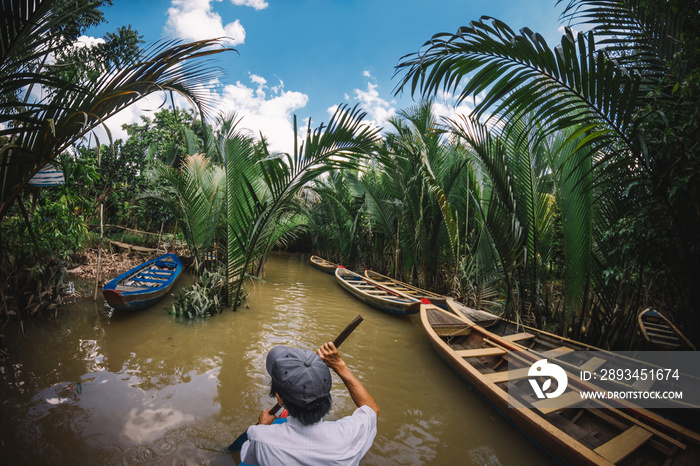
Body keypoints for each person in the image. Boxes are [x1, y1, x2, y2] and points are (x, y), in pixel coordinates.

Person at [239, 342, 379, 465]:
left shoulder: (261, 438)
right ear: (326, 396)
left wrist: (263, 426)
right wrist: (339, 365)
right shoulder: (348, 435)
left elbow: (247, 458)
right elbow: (372, 409)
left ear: (280, 399)